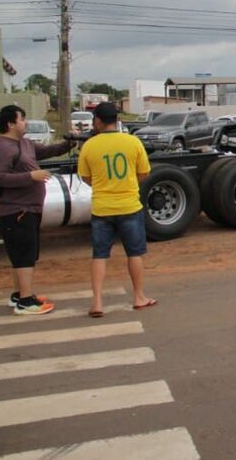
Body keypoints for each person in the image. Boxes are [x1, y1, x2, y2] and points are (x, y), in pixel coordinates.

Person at [0, 105, 75, 314]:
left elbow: (48, 151)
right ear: (10, 124)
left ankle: (20, 294)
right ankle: (25, 302)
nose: (25, 122)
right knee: (24, 255)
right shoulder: (2, 148)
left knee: (24, 254)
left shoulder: (25, 143)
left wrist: (70, 142)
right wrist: (31, 176)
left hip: (29, 208)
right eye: (22, 119)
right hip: (16, 210)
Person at [78, 102, 155, 317]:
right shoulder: (132, 142)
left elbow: (85, 176)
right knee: (135, 253)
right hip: (129, 205)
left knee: (100, 255)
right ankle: (139, 296)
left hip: (102, 208)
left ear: (99, 121)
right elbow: (144, 172)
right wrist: (128, 185)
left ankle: (97, 302)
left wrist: (102, 186)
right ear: (117, 120)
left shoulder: (90, 146)